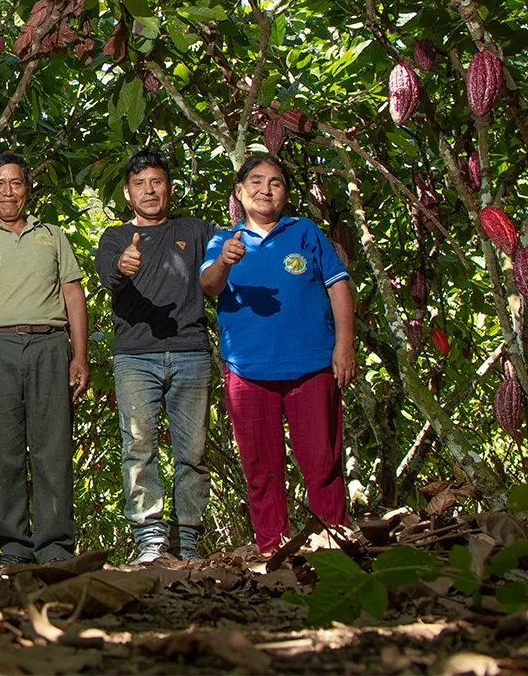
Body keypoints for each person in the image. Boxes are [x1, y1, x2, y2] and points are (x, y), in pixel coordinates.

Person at [200, 154, 356, 555]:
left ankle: (334, 540)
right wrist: (224, 261)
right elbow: (209, 285)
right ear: (239, 192)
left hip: (313, 365)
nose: (265, 189)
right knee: (260, 468)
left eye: (276, 182)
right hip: (247, 370)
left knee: (322, 460)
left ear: (285, 193)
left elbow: (338, 284)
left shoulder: (304, 231)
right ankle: (273, 547)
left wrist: (344, 344)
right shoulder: (225, 239)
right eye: (255, 181)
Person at [0, 150, 88, 565]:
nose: (8, 192)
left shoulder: (53, 235)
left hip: (47, 345)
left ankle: (56, 547)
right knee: (2, 448)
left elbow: (73, 295)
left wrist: (79, 355)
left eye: (16, 183)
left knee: (53, 448)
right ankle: (14, 547)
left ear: (27, 189)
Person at [95, 148, 217, 563]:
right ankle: (149, 538)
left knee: (193, 452)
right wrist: (124, 265)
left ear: (170, 187)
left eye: (156, 181)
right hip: (134, 356)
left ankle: (187, 540)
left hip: (191, 352)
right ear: (128, 193)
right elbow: (108, 271)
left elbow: (234, 251)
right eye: (139, 184)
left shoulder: (196, 230)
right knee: (139, 446)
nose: (149, 190)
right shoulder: (114, 236)